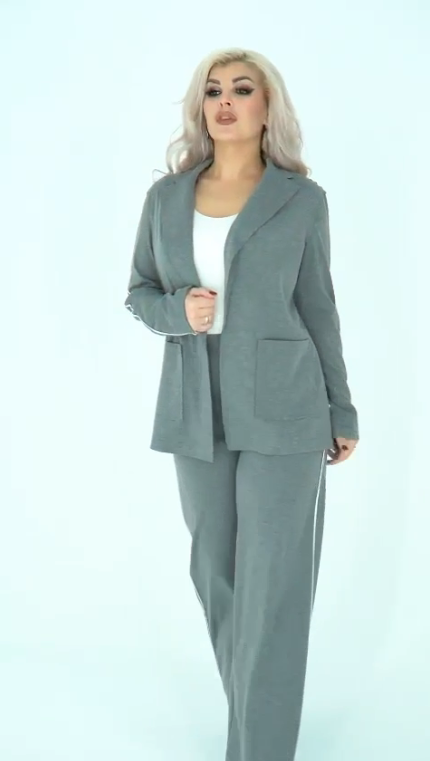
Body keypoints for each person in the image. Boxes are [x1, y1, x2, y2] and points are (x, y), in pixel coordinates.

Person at [124, 47, 359, 761]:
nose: (225, 101)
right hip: (195, 403)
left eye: (242, 89)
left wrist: (341, 410)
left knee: (274, 586)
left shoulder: (301, 199)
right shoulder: (166, 198)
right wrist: (179, 312)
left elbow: (319, 307)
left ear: (266, 107)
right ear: (201, 108)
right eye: (213, 91)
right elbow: (139, 292)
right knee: (218, 575)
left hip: (287, 405)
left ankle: (259, 750)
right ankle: (259, 724)